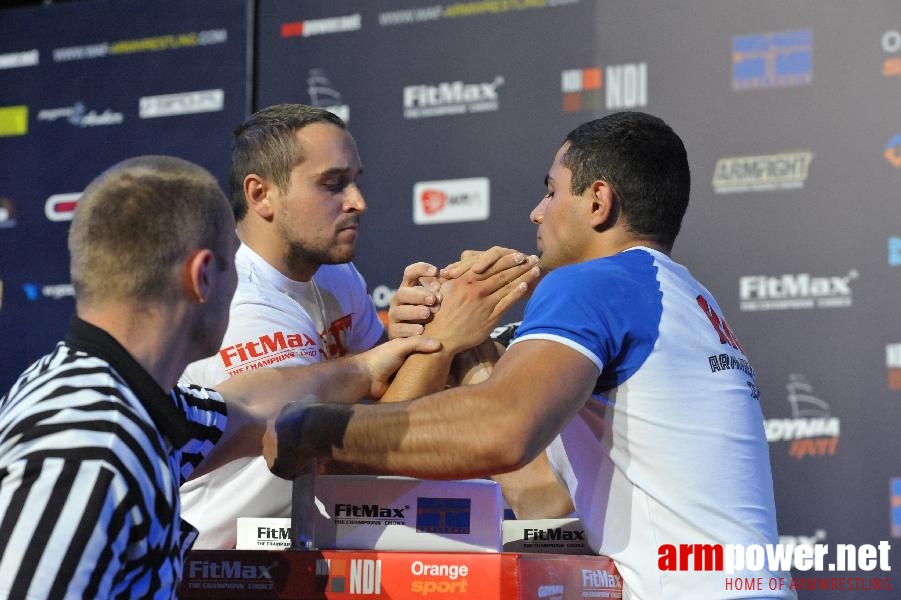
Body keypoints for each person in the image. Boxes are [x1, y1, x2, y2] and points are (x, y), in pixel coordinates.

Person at [263, 112, 795, 599]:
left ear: (597, 202)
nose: (536, 212)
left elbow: (500, 428)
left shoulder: (594, 283)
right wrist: (463, 335)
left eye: (551, 191)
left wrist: (318, 429)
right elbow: (542, 495)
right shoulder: (678, 295)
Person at [0, 155, 459, 599]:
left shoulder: (128, 401)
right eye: (232, 264)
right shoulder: (87, 448)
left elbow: (251, 405)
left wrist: (367, 364)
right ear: (202, 277)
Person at [178, 103, 539, 548]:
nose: (358, 202)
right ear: (260, 195)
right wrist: (442, 341)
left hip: (312, 544)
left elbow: (380, 397)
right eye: (332, 184)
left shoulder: (335, 274)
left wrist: (412, 334)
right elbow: (352, 451)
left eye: (355, 181)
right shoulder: (241, 303)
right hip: (226, 568)